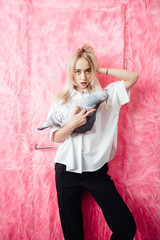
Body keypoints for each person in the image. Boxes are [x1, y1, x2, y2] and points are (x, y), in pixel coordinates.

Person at [48, 44, 138, 240]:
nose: (83, 77)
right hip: (66, 170)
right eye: (77, 71)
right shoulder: (61, 100)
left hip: (96, 171)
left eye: (87, 71)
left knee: (126, 227)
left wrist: (98, 67)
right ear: (71, 72)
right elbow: (55, 137)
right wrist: (72, 124)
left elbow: (133, 77)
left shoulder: (107, 96)